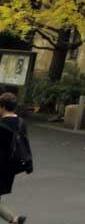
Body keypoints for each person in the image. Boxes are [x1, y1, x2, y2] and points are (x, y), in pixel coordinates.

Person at [0, 92, 29, 224]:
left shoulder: (2, 126)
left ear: (2, 107)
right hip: (11, 168)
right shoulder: (21, 123)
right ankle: (14, 219)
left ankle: (13, 219)